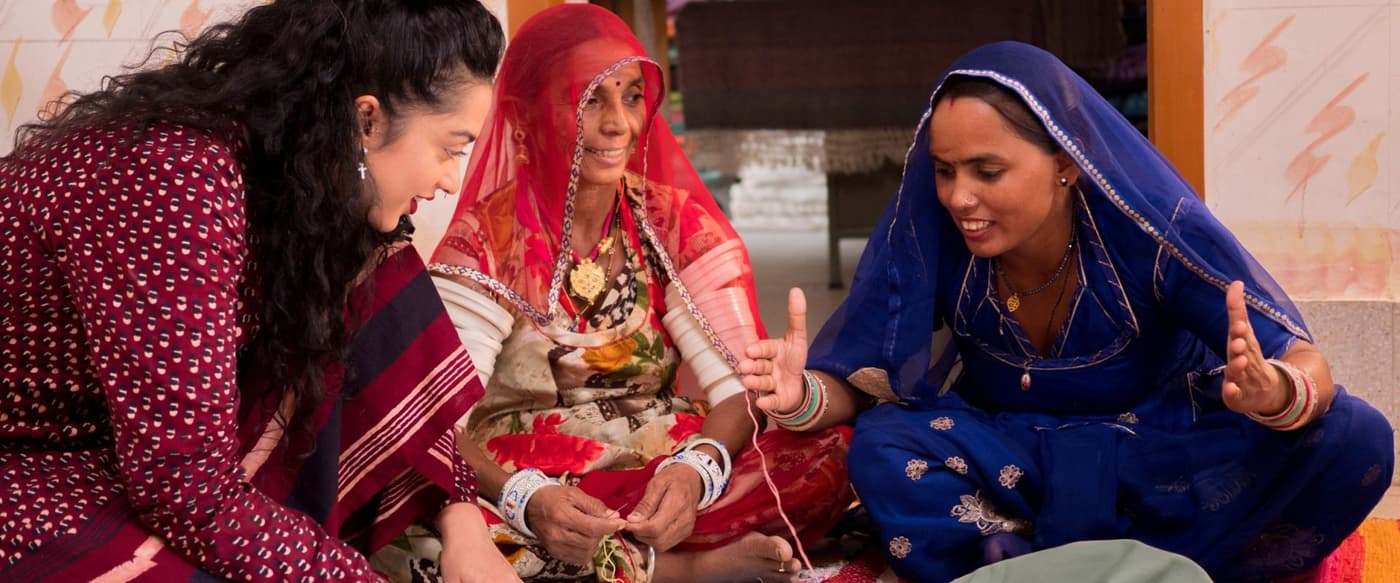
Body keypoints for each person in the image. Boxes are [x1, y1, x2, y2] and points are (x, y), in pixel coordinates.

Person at [740, 41, 1394, 582]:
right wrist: (800, 393)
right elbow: (856, 383)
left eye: (986, 170)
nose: (959, 196)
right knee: (884, 446)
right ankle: (1121, 564)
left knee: (1354, 435)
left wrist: (1275, 389)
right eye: (943, 170)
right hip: (1010, 455)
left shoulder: (1150, 231)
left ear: (1066, 164)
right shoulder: (936, 235)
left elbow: (1305, 363)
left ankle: (1038, 564)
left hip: (1152, 455)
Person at [0, 1, 517, 581]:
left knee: (369, 276)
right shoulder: (176, 180)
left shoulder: (297, 185)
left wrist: (463, 518)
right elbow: (184, 489)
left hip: (134, 458)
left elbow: (387, 366)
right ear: (365, 121)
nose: (451, 178)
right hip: (34, 461)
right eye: (451, 147)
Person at [420, 5, 853, 582]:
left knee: (833, 455)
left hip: (660, 473)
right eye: (589, 98)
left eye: (630, 97)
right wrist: (526, 497)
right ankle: (686, 571)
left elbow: (736, 389)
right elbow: (437, 422)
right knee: (426, 530)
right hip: (535, 487)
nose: (618, 124)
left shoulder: (672, 222)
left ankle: (638, 560)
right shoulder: (487, 242)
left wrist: (696, 470)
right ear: (524, 115)